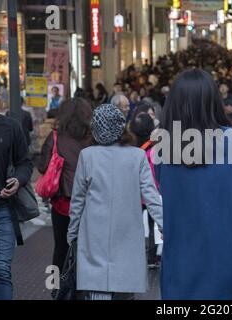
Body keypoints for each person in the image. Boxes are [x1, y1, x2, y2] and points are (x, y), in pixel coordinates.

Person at [155, 69, 232, 300]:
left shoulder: (163, 146)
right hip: (227, 254)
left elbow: (162, 187)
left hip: (180, 259)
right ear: (213, 101)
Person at [67, 104, 163, 300]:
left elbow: (77, 200)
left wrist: (72, 233)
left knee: (98, 289)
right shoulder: (137, 156)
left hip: (94, 235)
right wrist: (164, 224)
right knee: (125, 290)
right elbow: (151, 196)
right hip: (127, 233)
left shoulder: (88, 156)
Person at [0, 70, 32, 300]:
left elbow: (25, 162)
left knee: (0, 270)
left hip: (0, 210)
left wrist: (18, 180)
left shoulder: (10, 127)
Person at [36, 98, 93, 271]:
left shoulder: (55, 137)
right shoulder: (94, 138)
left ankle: (56, 287)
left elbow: (42, 166)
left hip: (62, 201)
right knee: (89, 248)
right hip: (90, 201)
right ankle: (84, 288)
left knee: (61, 247)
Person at [130, 113, 160, 268]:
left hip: (134, 191)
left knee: (135, 224)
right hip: (151, 190)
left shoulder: (129, 145)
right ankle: (152, 257)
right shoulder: (153, 146)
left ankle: (135, 254)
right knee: (153, 222)